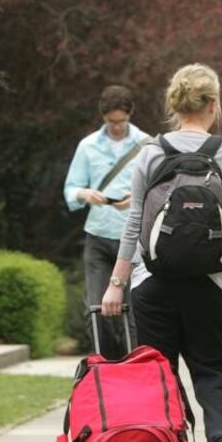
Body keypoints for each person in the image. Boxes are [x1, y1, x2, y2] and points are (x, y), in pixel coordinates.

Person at [101, 64, 222, 442]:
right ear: (212, 103)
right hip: (213, 283)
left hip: (153, 282)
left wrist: (116, 283)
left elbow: (134, 223)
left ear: (174, 104)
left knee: (158, 373)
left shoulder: (149, 152)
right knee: (211, 368)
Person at [63, 85, 150, 359]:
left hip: (134, 239)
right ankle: (110, 365)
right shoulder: (88, 146)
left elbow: (158, 191)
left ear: (130, 115)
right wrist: (84, 194)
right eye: (111, 122)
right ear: (103, 118)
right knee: (97, 309)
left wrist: (136, 198)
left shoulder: (147, 145)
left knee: (136, 311)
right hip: (99, 236)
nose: (116, 127)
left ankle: (136, 365)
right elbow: (70, 189)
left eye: (121, 122)